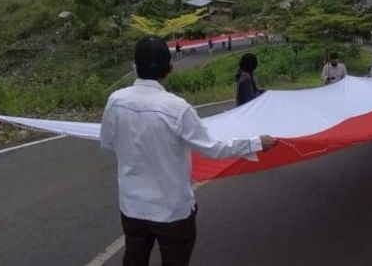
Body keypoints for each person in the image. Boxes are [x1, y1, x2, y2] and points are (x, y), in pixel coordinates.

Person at [100, 36, 277, 266]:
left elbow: (107, 143)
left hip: (132, 208)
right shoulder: (178, 109)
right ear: (170, 68)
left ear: (135, 67)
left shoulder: (115, 101)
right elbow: (213, 148)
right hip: (172, 211)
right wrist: (256, 143)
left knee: (134, 260)